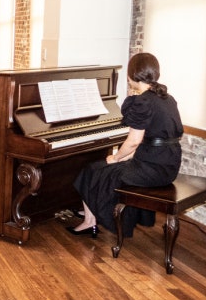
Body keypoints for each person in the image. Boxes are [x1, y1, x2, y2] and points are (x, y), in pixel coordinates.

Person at [71, 52, 183, 238]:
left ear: (132, 75)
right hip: (168, 164)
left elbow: (134, 141)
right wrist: (125, 157)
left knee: (93, 169)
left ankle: (90, 220)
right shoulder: (166, 97)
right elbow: (152, 139)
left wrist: (116, 158)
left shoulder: (144, 101)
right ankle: (92, 212)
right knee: (102, 168)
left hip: (152, 168)